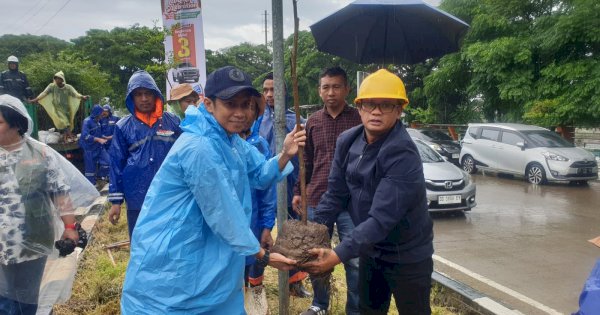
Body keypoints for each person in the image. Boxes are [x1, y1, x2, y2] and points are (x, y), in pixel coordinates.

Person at [120, 66, 303, 314]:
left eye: (247, 105)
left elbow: (259, 174)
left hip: (211, 257)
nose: (241, 113)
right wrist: (263, 256)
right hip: (178, 257)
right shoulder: (199, 147)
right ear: (208, 104)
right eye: (231, 104)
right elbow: (223, 213)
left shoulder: (231, 141)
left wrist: (285, 154)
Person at [301, 69, 435, 315]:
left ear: (399, 110)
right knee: (368, 309)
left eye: (386, 105)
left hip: (407, 253)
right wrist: (313, 233)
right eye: (370, 104)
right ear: (359, 107)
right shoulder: (347, 140)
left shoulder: (402, 153)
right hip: (372, 249)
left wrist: (337, 254)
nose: (376, 111)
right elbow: (335, 195)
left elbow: (382, 218)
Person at [0, 94, 98, 315]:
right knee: (3, 303)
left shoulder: (40, 154)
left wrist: (70, 228)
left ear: (16, 124)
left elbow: (60, 193)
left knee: (26, 300)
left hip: (31, 241)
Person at [292, 67, 362, 315]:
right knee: (315, 256)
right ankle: (320, 304)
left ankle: (355, 309)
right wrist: (298, 190)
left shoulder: (358, 119)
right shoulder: (313, 121)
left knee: (354, 260)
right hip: (317, 198)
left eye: (336, 86)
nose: (331, 92)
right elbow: (307, 159)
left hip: (352, 202)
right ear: (320, 91)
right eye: (325, 87)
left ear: (346, 89)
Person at [106, 70, 181, 237]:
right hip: (137, 197)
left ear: (156, 95)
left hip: (170, 194)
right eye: (138, 94)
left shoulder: (173, 122)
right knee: (141, 242)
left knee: (171, 240)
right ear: (131, 98)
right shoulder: (122, 126)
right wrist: (116, 202)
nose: (144, 98)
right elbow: (116, 164)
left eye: (148, 93)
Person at [258, 72, 311, 297]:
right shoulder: (255, 120)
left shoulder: (298, 121)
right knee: (259, 233)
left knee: (294, 235)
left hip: (290, 186)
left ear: (285, 92)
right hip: (263, 186)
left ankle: (294, 283)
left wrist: (299, 188)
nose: (270, 95)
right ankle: (255, 283)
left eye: (275, 90)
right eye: (266, 90)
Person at [29, 71, 89, 139]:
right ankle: (70, 136)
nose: (57, 80)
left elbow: (75, 94)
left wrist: (82, 97)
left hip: (66, 109)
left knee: (68, 124)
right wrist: (35, 100)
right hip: (57, 108)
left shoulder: (68, 87)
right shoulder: (52, 86)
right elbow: (44, 93)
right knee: (64, 122)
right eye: (56, 78)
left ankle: (65, 137)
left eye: (59, 78)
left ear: (62, 79)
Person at [79, 104, 110, 185]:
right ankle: (91, 186)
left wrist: (105, 137)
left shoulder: (98, 122)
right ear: (97, 113)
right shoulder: (87, 121)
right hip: (89, 149)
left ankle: (100, 176)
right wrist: (98, 139)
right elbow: (85, 136)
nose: (102, 115)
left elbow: (99, 134)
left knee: (108, 162)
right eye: (101, 113)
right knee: (90, 170)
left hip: (99, 148)